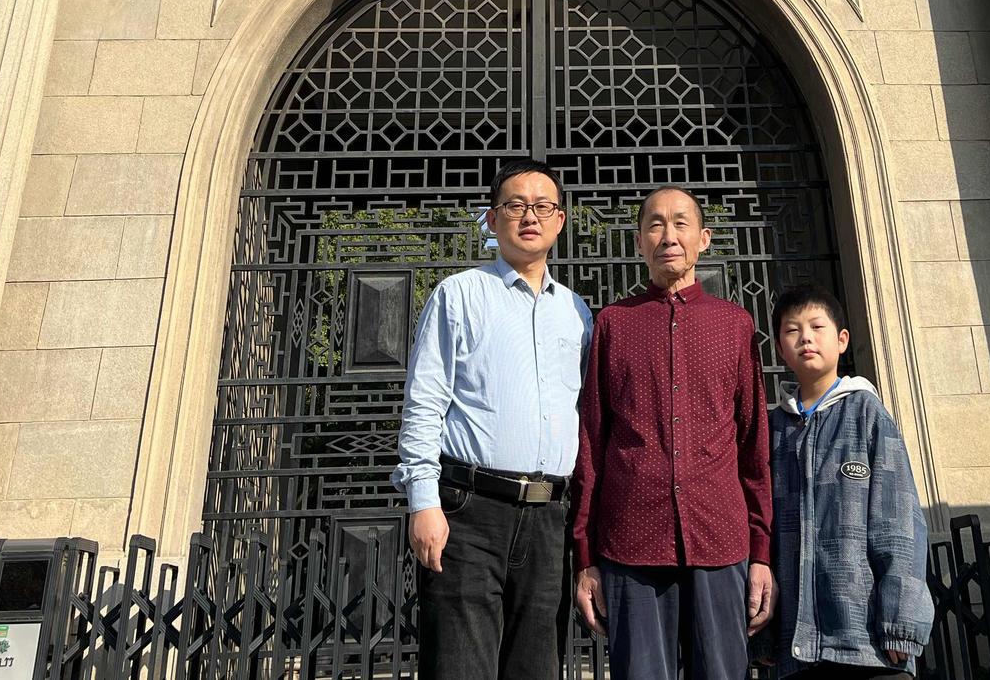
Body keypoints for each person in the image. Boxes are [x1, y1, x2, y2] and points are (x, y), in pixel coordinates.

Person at [393, 158, 592, 680]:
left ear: (560, 220)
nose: (530, 216)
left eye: (543, 206)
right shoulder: (458, 295)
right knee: (459, 665)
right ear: (491, 217)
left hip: (550, 517)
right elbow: (425, 402)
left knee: (537, 667)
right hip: (469, 511)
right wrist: (424, 502)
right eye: (515, 205)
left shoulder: (577, 313)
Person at [571, 185, 775, 680]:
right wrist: (585, 555)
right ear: (640, 240)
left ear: (703, 238)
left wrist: (761, 553)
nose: (668, 236)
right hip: (631, 539)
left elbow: (754, 447)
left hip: (719, 537)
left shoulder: (734, 325)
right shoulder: (613, 324)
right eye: (656, 224)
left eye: (681, 223)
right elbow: (591, 443)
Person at [766, 282, 933, 677]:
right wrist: (765, 636)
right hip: (797, 648)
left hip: (869, 642)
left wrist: (900, 622)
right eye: (792, 330)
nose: (805, 338)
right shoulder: (774, 429)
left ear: (842, 340)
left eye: (816, 327)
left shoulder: (867, 414)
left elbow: (899, 521)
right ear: (780, 349)